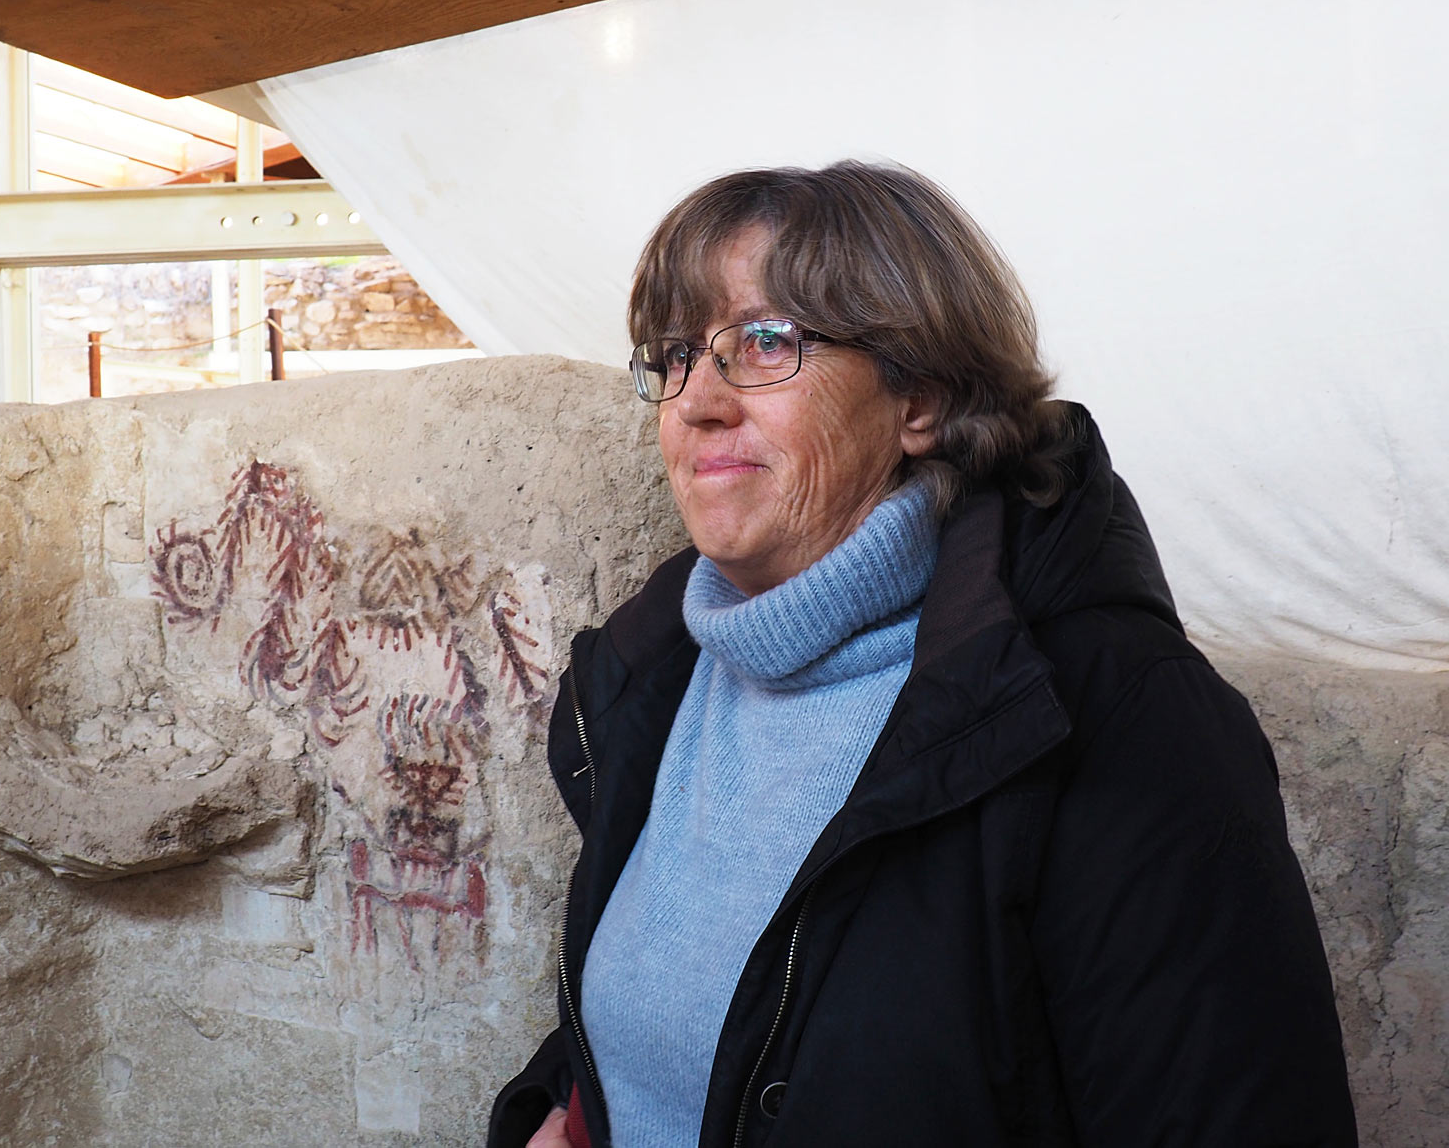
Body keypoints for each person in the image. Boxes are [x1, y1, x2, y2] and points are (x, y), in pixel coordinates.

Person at [487, 161, 1357, 1148]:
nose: (697, 403)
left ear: (923, 399)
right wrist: (554, 1116)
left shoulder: (1113, 712)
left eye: (763, 343)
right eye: (676, 355)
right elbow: (663, 1034)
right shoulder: (647, 680)